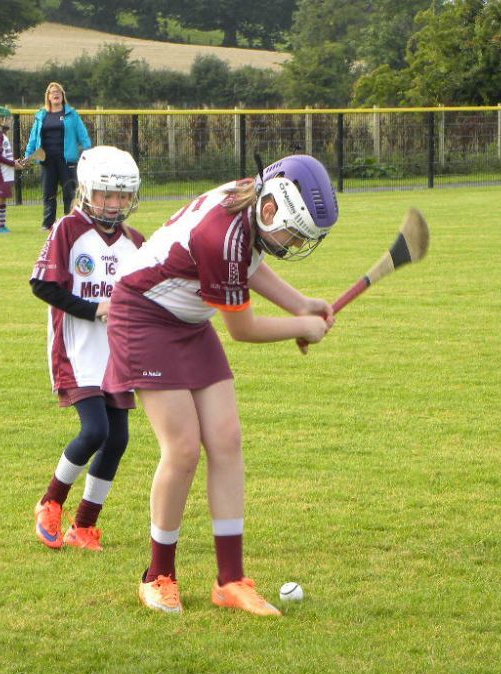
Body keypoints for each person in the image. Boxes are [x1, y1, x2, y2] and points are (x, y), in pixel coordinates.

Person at [104, 154, 339, 617]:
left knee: (226, 439)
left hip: (188, 320)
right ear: (270, 209)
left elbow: (246, 264)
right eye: (294, 234)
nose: (295, 244)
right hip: (143, 317)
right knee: (182, 449)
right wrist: (302, 327)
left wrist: (300, 303)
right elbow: (243, 328)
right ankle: (157, 575)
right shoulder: (222, 234)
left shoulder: (250, 201)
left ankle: (230, 580)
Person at [30, 146, 145, 551]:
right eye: (106, 195)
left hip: (117, 355)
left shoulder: (135, 242)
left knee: (118, 440)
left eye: (122, 196)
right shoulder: (67, 230)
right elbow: (42, 285)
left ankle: (84, 526)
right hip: (77, 351)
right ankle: (50, 501)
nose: (114, 204)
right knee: (95, 430)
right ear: (87, 191)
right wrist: (95, 309)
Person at [24, 82, 92, 231]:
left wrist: (88, 152)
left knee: (70, 192)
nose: (56, 94)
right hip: (47, 160)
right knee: (48, 192)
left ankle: (71, 222)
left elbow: (83, 135)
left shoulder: (72, 114)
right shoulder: (41, 115)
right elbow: (33, 138)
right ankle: (48, 223)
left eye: (58, 92)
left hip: (67, 160)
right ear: (48, 96)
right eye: (53, 92)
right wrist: (27, 155)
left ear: (62, 96)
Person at [0, 106, 26, 234]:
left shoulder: (1, 133)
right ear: (0, 119)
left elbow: (4, 154)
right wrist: (13, 163)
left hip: (5, 172)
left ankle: (1, 225)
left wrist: (15, 162)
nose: (9, 121)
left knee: (2, 198)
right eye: (7, 119)